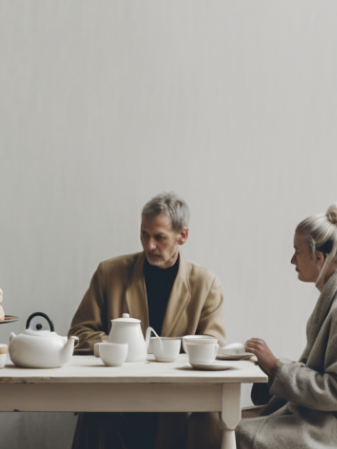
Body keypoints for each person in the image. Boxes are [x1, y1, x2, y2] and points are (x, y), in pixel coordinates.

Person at [68, 192, 226, 449]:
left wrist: (162, 350)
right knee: (95, 414)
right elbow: (79, 332)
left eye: (159, 237)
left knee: (208, 418)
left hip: (177, 399)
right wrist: (116, 346)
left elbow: (213, 344)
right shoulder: (110, 273)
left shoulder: (206, 283)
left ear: (182, 236)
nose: (149, 245)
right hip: (118, 395)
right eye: (144, 234)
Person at [238, 202, 337, 449]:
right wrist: (274, 371)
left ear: (318, 257)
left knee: (234, 434)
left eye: (297, 251)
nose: (291, 260)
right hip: (324, 423)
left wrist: (277, 367)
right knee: (225, 424)